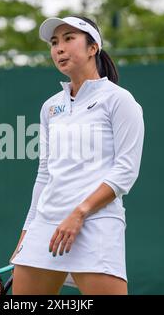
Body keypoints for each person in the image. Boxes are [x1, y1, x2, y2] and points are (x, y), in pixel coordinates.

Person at [9, 15, 145, 295]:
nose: (59, 48)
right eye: (54, 42)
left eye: (69, 39)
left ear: (93, 47)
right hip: (45, 227)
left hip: (96, 224)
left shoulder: (119, 100)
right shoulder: (50, 108)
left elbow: (126, 170)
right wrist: (26, 234)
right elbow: (44, 174)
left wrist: (80, 213)